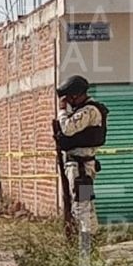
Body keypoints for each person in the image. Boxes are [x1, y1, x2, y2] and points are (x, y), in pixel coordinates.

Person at [54, 75, 107, 236]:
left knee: (81, 205)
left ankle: (85, 245)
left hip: (81, 169)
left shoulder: (88, 111)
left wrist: (62, 111)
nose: (68, 101)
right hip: (80, 167)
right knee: (85, 204)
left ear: (76, 95)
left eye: (69, 97)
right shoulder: (86, 110)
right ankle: (91, 242)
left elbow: (68, 128)